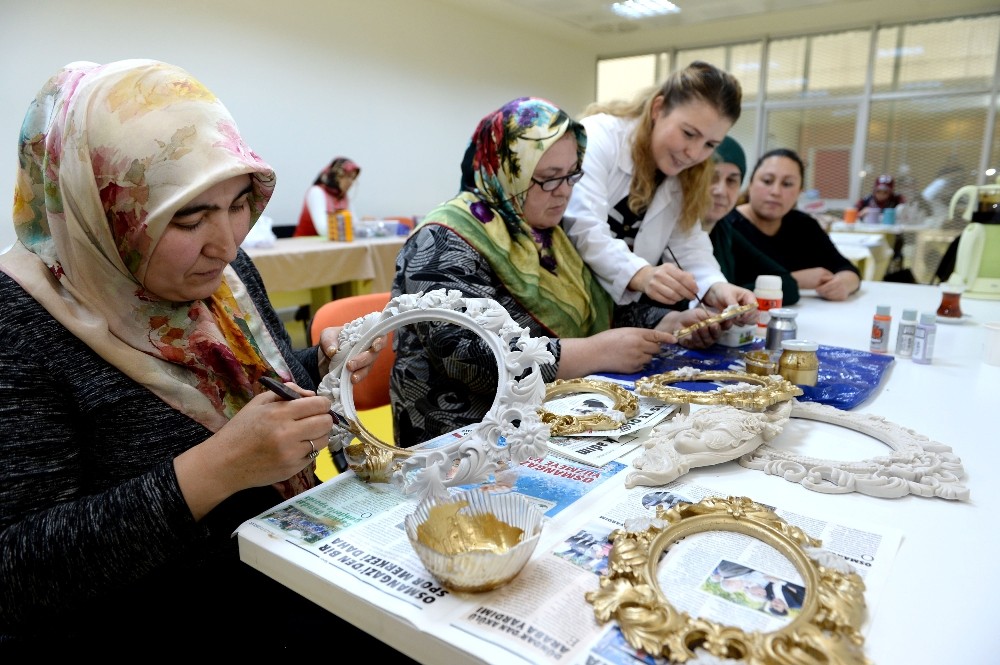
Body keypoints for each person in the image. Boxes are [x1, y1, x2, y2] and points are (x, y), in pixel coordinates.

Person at [0, 60, 406, 656]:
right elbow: (17, 573)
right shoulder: (22, 322)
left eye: (240, 203)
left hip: (293, 564)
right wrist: (214, 470)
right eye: (188, 217)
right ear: (101, 213)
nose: (228, 241)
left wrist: (314, 366)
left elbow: (229, 387)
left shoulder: (223, 277)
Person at [390, 97, 727, 447]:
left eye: (572, 175)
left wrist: (661, 323)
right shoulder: (444, 239)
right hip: (459, 438)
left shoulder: (550, 236)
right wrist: (594, 353)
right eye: (549, 179)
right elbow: (467, 357)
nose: (565, 192)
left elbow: (599, 308)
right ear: (508, 171)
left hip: (551, 418)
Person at [562, 61, 758, 318]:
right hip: (562, 299)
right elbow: (583, 225)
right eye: (688, 133)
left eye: (710, 144)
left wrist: (716, 287)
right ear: (658, 109)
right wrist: (640, 274)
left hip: (609, 314)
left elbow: (688, 246)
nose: (694, 154)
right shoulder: (599, 136)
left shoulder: (685, 176)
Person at [725, 148, 861, 301]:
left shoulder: (804, 225)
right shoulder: (726, 226)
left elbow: (846, 268)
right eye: (767, 181)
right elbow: (723, 289)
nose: (775, 191)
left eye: (787, 184)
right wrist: (796, 280)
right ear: (750, 184)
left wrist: (843, 283)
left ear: (799, 192)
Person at [703, 136, 800, 305]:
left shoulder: (723, 229)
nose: (721, 190)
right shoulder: (673, 233)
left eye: (732, 180)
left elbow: (787, 284)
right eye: (712, 177)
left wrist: (734, 294)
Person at [292, 156, 361, 237]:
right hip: (304, 245)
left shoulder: (343, 196)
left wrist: (366, 223)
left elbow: (354, 223)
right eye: (348, 176)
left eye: (353, 178)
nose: (351, 182)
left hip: (330, 245)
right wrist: (354, 227)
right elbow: (324, 230)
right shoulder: (316, 192)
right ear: (336, 175)